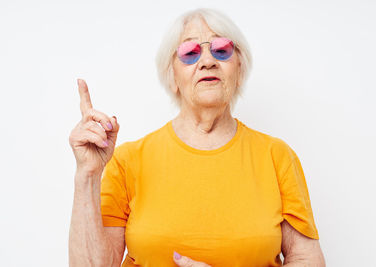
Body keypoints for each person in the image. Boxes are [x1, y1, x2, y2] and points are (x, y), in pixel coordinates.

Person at [68, 8, 326, 267]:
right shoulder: (127, 160)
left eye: (222, 49)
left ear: (239, 68)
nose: (207, 61)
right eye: (190, 53)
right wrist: (87, 174)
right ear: (173, 77)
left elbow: (307, 260)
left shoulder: (277, 157)